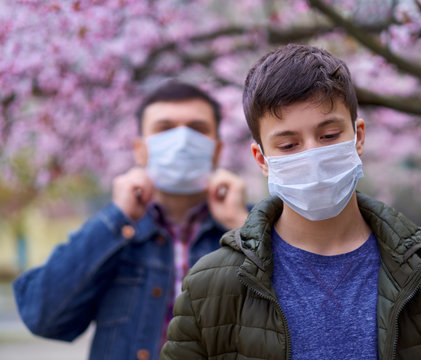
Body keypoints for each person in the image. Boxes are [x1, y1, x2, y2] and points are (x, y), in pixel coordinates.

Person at [161, 45, 421, 360]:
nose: (312, 156)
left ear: (358, 137)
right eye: (288, 145)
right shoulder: (210, 285)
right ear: (261, 159)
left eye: (328, 136)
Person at [13, 81, 249, 360]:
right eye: (165, 129)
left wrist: (241, 224)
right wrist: (117, 218)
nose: (182, 139)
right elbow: (42, 316)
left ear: (218, 150)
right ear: (140, 150)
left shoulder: (250, 227)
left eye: (197, 129)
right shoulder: (113, 234)